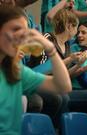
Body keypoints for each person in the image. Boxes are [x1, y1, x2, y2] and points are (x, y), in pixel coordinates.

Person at [0, 5, 71, 134]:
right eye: (15, 29)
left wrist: (50, 49)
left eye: (24, 32)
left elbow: (63, 86)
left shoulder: (16, 71)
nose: (20, 37)